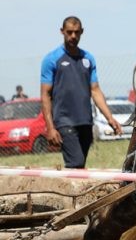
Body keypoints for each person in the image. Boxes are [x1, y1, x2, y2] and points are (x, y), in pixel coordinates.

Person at [40, 16, 122, 169]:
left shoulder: (88, 59)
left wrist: (110, 118)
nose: (73, 36)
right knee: (76, 163)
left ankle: (73, 191)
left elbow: (95, 90)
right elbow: (45, 95)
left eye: (76, 32)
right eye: (69, 32)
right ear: (62, 32)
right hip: (64, 121)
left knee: (80, 165)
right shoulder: (51, 59)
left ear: (82, 32)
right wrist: (50, 127)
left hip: (85, 121)